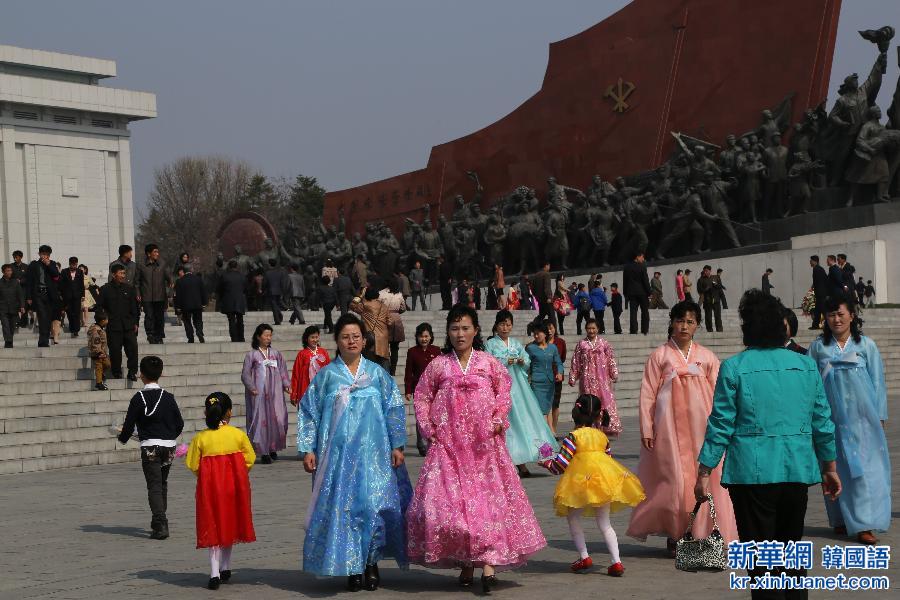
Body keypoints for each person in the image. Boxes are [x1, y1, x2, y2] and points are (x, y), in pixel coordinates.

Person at [695, 290, 841, 594]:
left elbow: (721, 423)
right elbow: (822, 422)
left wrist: (705, 470)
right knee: (790, 551)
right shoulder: (805, 366)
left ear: (748, 327)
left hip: (752, 474)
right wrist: (829, 466)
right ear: (781, 326)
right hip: (795, 470)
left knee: (760, 560)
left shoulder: (735, 367)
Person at [406, 305, 547, 594]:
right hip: (450, 445)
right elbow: (421, 396)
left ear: (476, 331)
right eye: (455, 328)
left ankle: (489, 564)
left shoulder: (488, 362)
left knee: (489, 502)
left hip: (485, 446)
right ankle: (466, 560)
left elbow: (504, 391)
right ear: (448, 331)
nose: (460, 334)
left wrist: (498, 419)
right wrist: (428, 428)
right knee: (453, 506)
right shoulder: (438, 365)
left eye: (466, 328)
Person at [297, 313, 412, 591]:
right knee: (345, 508)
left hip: (374, 456)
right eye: (345, 336)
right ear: (337, 341)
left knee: (372, 506)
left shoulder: (377, 374)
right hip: (336, 459)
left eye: (356, 336)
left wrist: (397, 444)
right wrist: (307, 448)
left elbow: (394, 408)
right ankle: (352, 566)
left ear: (364, 340)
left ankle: (371, 562)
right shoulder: (326, 376)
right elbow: (308, 412)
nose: (351, 341)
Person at [626, 300, 738, 555]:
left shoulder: (707, 357)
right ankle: (677, 532)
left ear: (697, 325)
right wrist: (646, 428)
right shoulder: (660, 356)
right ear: (672, 323)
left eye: (690, 322)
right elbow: (647, 395)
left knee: (707, 478)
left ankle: (706, 530)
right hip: (668, 431)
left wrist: (723, 429)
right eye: (680, 321)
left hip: (703, 430)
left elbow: (721, 395)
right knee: (673, 481)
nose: (684, 326)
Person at [807, 294, 890, 545]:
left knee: (864, 470)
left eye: (841, 314)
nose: (836, 319)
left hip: (863, 420)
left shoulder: (866, 345)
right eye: (831, 315)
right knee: (835, 467)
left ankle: (865, 523)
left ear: (852, 316)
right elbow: (811, 383)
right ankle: (841, 518)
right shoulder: (818, 347)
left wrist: (880, 416)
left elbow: (878, 382)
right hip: (831, 418)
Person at [541, 396, 645, 576]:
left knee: (573, 518)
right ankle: (616, 561)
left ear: (575, 413)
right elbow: (608, 461)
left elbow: (560, 465)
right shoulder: (602, 437)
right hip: (602, 483)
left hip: (578, 484)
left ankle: (584, 556)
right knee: (605, 523)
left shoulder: (573, 437)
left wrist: (546, 463)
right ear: (598, 415)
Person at [186, 392, 256, 590]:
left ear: (206, 412)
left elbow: (193, 464)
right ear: (229, 412)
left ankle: (214, 572)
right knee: (229, 523)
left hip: (210, 489)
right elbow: (249, 459)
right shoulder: (238, 435)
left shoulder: (201, 438)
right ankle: (226, 566)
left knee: (213, 526)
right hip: (233, 487)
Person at [117, 356, 184, 540]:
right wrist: (170, 436)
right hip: (169, 447)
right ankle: (159, 521)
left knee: (154, 485)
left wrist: (122, 438)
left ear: (141, 375)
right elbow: (179, 423)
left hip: (150, 447)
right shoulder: (168, 397)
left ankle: (160, 523)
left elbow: (128, 426)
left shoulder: (138, 398)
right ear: (161, 374)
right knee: (162, 483)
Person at [485, 310, 559, 477]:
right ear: (496, 326)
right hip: (501, 389)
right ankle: (516, 462)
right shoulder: (490, 344)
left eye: (508, 324)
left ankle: (542, 455)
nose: (505, 328)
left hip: (519, 389)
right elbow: (489, 363)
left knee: (528, 420)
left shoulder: (516, 343)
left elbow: (526, 360)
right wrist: (504, 361)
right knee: (511, 424)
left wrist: (521, 360)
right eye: (502, 324)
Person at [241, 324, 291, 465]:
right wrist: (252, 387)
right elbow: (245, 374)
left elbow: (282, 371)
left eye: (270, 335)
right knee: (261, 421)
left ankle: (273, 446)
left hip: (275, 393)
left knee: (278, 419)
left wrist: (286, 384)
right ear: (258, 336)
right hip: (259, 395)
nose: (269, 338)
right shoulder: (252, 355)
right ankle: (264, 451)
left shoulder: (275, 354)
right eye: (266, 335)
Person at [568, 319, 621, 437]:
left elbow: (610, 359)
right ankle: (589, 426)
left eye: (593, 328)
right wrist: (573, 376)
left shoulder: (604, 344)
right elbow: (576, 362)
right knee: (588, 402)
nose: (591, 330)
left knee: (604, 400)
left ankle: (604, 426)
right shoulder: (581, 344)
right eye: (589, 328)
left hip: (602, 378)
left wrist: (614, 373)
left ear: (598, 329)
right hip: (587, 379)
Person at [404, 322, 441, 457]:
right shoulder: (412, 352)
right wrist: (408, 390)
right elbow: (409, 372)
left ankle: (435, 440)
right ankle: (421, 444)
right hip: (419, 390)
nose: (424, 339)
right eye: (421, 336)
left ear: (431, 337)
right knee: (421, 417)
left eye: (426, 336)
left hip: (436, 390)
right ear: (417, 337)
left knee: (435, 416)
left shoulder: (437, 351)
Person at [97, 264, 139, 381]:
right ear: (113, 274)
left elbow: (134, 308)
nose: (123, 276)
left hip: (128, 325)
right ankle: (116, 372)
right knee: (115, 351)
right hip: (113, 326)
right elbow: (99, 307)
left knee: (132, 349)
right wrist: (102, 321)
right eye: (120, 273)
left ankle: (132, 372)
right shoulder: (105, 289)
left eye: (124, 273)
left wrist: (136, 323)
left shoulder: (129, 289)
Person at [525, 321, 564, 429]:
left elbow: (559, 363)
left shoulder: (553, 348)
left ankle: (546, 438)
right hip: (537, 384)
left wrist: (559, 373)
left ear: (545, 334)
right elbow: (525, 365)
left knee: (546, 410)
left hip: (550, 384)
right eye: (534, 333)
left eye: (539, 333)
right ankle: (546, 438)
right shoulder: (530, 348)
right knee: (541, 412)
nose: (536, 336)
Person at [134, 244, 173, 344]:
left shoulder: (162, 264)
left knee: (159, 317)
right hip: (146, 296)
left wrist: (170, 284)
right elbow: (137, 282)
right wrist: (138, 293)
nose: (157, 254)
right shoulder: (141, 265)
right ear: (148, 254)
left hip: (160, 296)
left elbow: (169, 278)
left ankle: (159, 335)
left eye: (157, 252)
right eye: (155, 252)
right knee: (149, 316)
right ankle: (150, 335)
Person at [24, 245, 61, 347]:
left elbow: (56, 275)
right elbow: (29, 282)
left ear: (49, 255)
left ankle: (45, 339)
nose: (44, 256)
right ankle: (43, 341)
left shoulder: (52, 264)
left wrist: (48, 264)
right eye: (43, 254)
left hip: (49, 295)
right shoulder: (33, 265)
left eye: (47, 255)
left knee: (48, 317)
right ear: (39, 254)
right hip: (38, 294)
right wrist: (29, 297)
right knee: (42, 316)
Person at [290, 325, 331, 408]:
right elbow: (296, 375)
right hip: (305, 389)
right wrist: (293, 394)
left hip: (321, 389)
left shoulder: (323, 352)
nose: (315, 340)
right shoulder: (302, 354)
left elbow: (330, 371)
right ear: (306, 338)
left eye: (316, 337)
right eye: (312, 337)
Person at [350, 287, 390, 370]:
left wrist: (361, 295)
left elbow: (352, 305)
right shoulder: (384, 306)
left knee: (369, 365)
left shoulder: (364, 305)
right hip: (383, 337)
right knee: (383, 362)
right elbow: (390, 322)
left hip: (370, 337)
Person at [379, 280, 407, 376]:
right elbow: (403, 308)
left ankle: (386, 368)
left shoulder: (382, 293)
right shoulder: (399, 295)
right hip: (397, 320)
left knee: (385, 346)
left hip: (384, 319)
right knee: (395, 348)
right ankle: (393, 370)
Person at [173, 266, 207, 343]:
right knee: (198, 320)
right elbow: (203, 292)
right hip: (197, 304)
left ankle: (190, 337)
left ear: (184, 271)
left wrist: (178, 306)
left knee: (187, 322)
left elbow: (177, 295)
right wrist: (204, 303)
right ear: (191, 270)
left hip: (185, 305)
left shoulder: (180, 281)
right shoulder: (198, 279)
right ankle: (199, 331)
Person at [217, 260, 247, 342]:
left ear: (229, 267)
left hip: (228, 300)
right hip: (240, 300)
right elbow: (245, 288)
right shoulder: (242, 276)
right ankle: (241, 337)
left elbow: (220, 289)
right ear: (236, 266)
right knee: (240, 320)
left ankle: (234, 338)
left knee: (231, 320)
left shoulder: (224, 276)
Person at [546, 321, 567, 435]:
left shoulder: (561, 342)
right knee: (546, 405)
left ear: (555, 329)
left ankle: (553, 429)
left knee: (555, 404)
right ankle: (548, 429)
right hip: (544, 378)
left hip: (557, 377)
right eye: (547, 329)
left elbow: (562, 358)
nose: (549, 331)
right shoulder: (541, 343)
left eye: (551, 328)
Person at [623, 252, 651, 335]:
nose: (643, 259)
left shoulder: (627, 267)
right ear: (637, 257)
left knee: (633, 312)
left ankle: (633, 330)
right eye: (642, 257)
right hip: (642, 293)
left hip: (631, 293)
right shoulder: (642, 267)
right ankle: (644, 330)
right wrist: (649, 292)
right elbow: (645, 281)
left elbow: (625, 281)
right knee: (645, 311)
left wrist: (625, 293)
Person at [0, 263, 25, 348]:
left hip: (14, 308)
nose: (10, 272)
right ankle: (8, 341)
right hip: (3, 308)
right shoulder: (0, 283)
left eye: (10, 270)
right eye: (8, 271)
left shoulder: (15, 282)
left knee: (11, 326)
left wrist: (22, 306)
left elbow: (20, 295)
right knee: (5, 325)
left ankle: (10, 340)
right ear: (3, 272)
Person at [59, 256, 85, 338]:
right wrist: (61, 295)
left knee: (77, 313)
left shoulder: (80, 272)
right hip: (67, 296)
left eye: (75, 264)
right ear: (69, 264)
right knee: (70, 313)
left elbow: (81, 284)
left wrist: (83, 295)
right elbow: (61, 284)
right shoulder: (64, 271)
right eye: (72, 265)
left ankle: (76, 330)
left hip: (77, 296)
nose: (74, 266)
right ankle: (71, 327)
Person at [87, 310, 111, 390]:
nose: (108, 321)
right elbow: (96, 342)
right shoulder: (95, 330)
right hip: (97, 353)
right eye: (107, 319)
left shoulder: (100, 328)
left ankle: (101, 375)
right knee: (99, 367)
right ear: (103, 321)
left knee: (107, 364)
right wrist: (99, 352)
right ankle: (99, 383)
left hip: (102, 352)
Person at [263, 258, 289, 326]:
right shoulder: (280, 272)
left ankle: (277, 320)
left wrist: (263, 289)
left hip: (271, 291)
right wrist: (283, 291)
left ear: (269, 264)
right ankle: (279, 315)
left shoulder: (267, 273)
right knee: (276, 305)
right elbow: (282, 282)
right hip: (279, 291)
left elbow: (264, 283)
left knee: (274, 306)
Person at [697, 265, 723, 332]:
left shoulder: (716, 277)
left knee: (718, 316)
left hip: (716, 300)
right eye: (704, 271)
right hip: (707, 301)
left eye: (706, 271)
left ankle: (719, 329)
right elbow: (699, 290)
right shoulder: (701, 280)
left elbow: (720, 287)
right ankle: (709, 329)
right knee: (708, 316)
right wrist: (706, 289)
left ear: (710, 271)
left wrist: (716, 285)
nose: (705, 272)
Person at [532, 262, 557, 330]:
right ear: (546, 265)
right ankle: (555, 332)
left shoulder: (536, 275)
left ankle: (532, 326)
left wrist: (536, 296)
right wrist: (549, 297)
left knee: (541, 315)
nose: (549, 267)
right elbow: (547, 287)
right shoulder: (546, 274)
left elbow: (532, 288)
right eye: (549, 266)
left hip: (540, 300)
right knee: (552, 316)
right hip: (546, 299)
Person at [809, 255, 828, 329]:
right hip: (820, 293)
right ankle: (815, 325)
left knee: (823, 310)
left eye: (811, 261)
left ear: (815, 261)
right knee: (818, 310)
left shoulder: (817, 269)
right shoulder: (818, 269)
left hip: (821, 293)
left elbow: (822, 281)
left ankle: (829, 324)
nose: (810, 262)